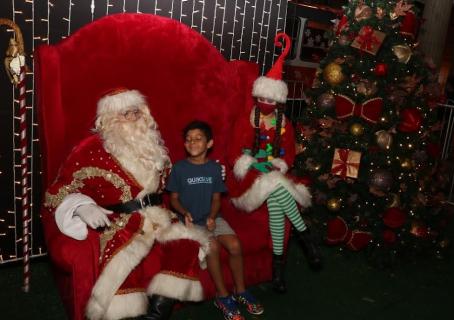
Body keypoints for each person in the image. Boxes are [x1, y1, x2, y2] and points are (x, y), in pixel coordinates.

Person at [44, 88, 210, 320]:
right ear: (109, 119)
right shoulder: (90, 149)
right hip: (121, 222)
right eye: (126, 114)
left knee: (188, 243)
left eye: (136, 112)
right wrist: (82, 206)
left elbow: (173, 182)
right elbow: (58, 191)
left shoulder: (153, 146)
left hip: (159, 216)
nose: (133, 118)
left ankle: (156, 314)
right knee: (125, 258)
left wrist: (205, 169)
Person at [226, 33, 322, 293]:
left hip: (272, 175)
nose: (267, 104)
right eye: (263, 99)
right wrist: (252, 164)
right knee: (278, 188)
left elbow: (288, 154)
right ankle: (306, 237)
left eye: (272, 100)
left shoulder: (284, 124)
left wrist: (279, 163)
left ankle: (277, 276)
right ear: (257, 96)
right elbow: (233, 151)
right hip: (245, 180)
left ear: (278, 101)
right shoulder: (246, 119)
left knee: (278, 202)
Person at [167, 120, 264, 320]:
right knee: (212, 247)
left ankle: (241, 290)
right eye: (188, 139)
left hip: (212, 217)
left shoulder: (213, 168)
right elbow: (173, 198)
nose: (192, 142)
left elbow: (217, 199)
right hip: (190, 222)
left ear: (209, 143)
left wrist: (212, 217)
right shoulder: (179, 169)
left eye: (198, 138)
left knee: (235, 245)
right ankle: (222, 296)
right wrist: (184, 212)